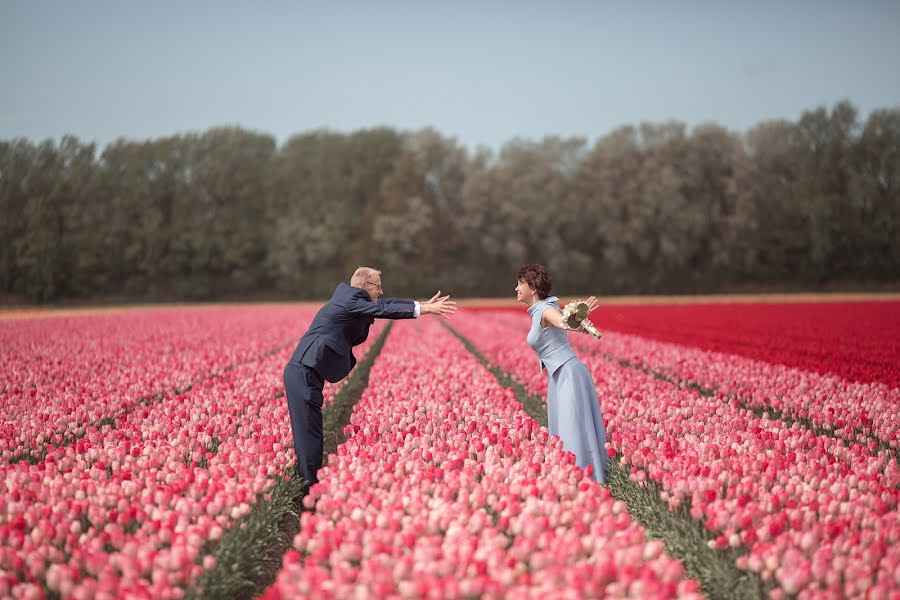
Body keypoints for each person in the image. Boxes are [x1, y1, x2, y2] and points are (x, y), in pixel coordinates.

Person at [284, 266, 457, 487]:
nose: (381, 291)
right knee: (309, 436)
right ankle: (308, 488)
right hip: (303, 372)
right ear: (365, 287)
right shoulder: (350, 301)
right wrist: (424, 309)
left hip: (307, 372)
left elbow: (385, 304)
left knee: (312, 433)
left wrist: (422, 306)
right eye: (378, 286)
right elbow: (383, 310)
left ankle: (309, 484)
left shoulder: (351, 298)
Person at [515, 263, 608, 483]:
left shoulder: (546, 309)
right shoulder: (544, 308)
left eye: (520, 283)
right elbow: (564, 323)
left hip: (568, 374)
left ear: (533, 287)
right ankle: (578, 477)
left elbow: (561, 321)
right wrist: (578, 324)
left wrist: (574, 318)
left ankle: (585, 480)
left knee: (573, 428)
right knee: (567, 428)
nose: (516, 288)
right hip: (559, 375)